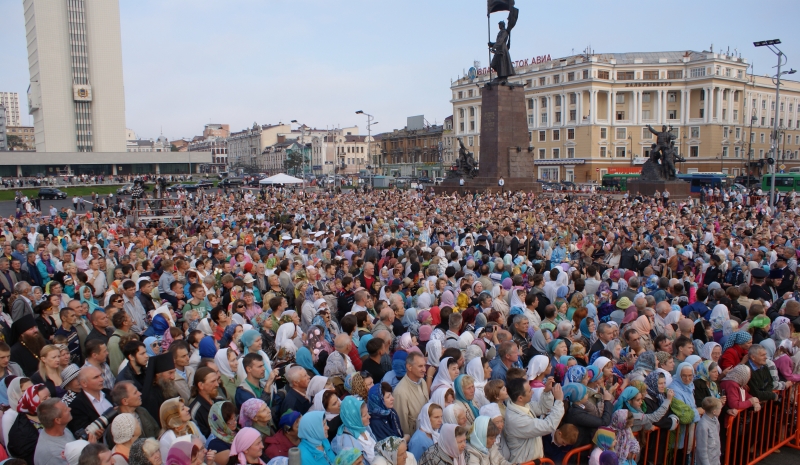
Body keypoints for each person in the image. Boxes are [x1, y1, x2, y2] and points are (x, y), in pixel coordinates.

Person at [501, 377, 565, 463]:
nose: (533, 392)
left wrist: (546, 392)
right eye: (529, 390)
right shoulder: (516, 419)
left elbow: (543, 408)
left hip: (533, 461)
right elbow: (548, 425)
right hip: (525, 462)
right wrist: (559, 401)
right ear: (520, 398)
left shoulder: (522, 405)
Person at [10, 383, 51, 464]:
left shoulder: (49, 414)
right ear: (32, 403)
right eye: (45, 399)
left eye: (50, 396)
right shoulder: (21, 432)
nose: (50, 400)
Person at [331, 396, 377, 463]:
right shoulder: (348, 444)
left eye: (368, 412)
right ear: (354, 419)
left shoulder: (363, 427)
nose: (369, 416)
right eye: (364, 415)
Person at [393, 352, 430, 435]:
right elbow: (402, 423)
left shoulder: (422, 381)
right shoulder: (400, 392)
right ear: (409, 367)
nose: (424, 369)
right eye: (420, 366)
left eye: (424, 365)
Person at [34, 398, 75, 465]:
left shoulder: (62, 429)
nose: (69, 409)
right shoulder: (52, 453)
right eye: (65, 410)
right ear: (57, 420)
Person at [695, 397, 722, 465]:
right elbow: (702, 449)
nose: (721, 410)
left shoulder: (716, 421)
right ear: (714, 411)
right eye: (720, 408)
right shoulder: (703, 426)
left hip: (715, 460)